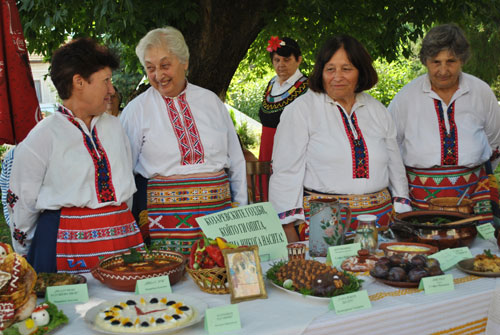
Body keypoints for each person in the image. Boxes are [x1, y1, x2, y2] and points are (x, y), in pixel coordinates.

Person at [6, 38, 144, 273]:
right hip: (64, 245)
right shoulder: (43, 137)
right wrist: (27, 252)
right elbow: (21, 204)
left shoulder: (115, 127)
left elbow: (126, 187)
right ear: (79, 82)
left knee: (130, 307)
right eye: (106, 81)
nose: (111, 89)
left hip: (121, 237)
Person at [269, 35, 411, 242]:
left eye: (346, 69)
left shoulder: (377, 110)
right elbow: (285, 172)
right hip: (325, 220)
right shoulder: (302, 110)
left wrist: (402, 207)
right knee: (329, 274)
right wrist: (287, 227)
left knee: (380, 272)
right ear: (321, 71)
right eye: (330, 69)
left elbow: (395, 165)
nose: (338, 77)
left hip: (378, 219)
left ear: (360, 71)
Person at [120, 27, 247, 255]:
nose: (158, 75)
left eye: (165, 65)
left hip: (218, 218)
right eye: (150, 68)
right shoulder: (136, 111)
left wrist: (240, 208)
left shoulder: (211, 102)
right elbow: (124, 173)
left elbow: (236, 160)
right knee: (169, 280)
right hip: (162, 224)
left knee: (217, 276)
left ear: (185, 62)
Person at [388, 24, 500, 224]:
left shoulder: (480, 92)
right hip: (419, 202)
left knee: (480, 253)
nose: (443, 70)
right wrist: (401, 197)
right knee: (423, 251)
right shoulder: (405, 98)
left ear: (462, 60)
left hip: (474, 199)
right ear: (425, 61)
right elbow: (390, 147)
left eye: (451, 61)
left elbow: (494, 141)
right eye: (435, 62)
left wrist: (470, 168)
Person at [258, 36, 308, 163]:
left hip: (291, 158)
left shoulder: (309, 89)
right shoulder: (272, 84)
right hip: (266, 155)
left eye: (287, 60)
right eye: (276, 60)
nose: (281, 64)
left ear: (299, 60)